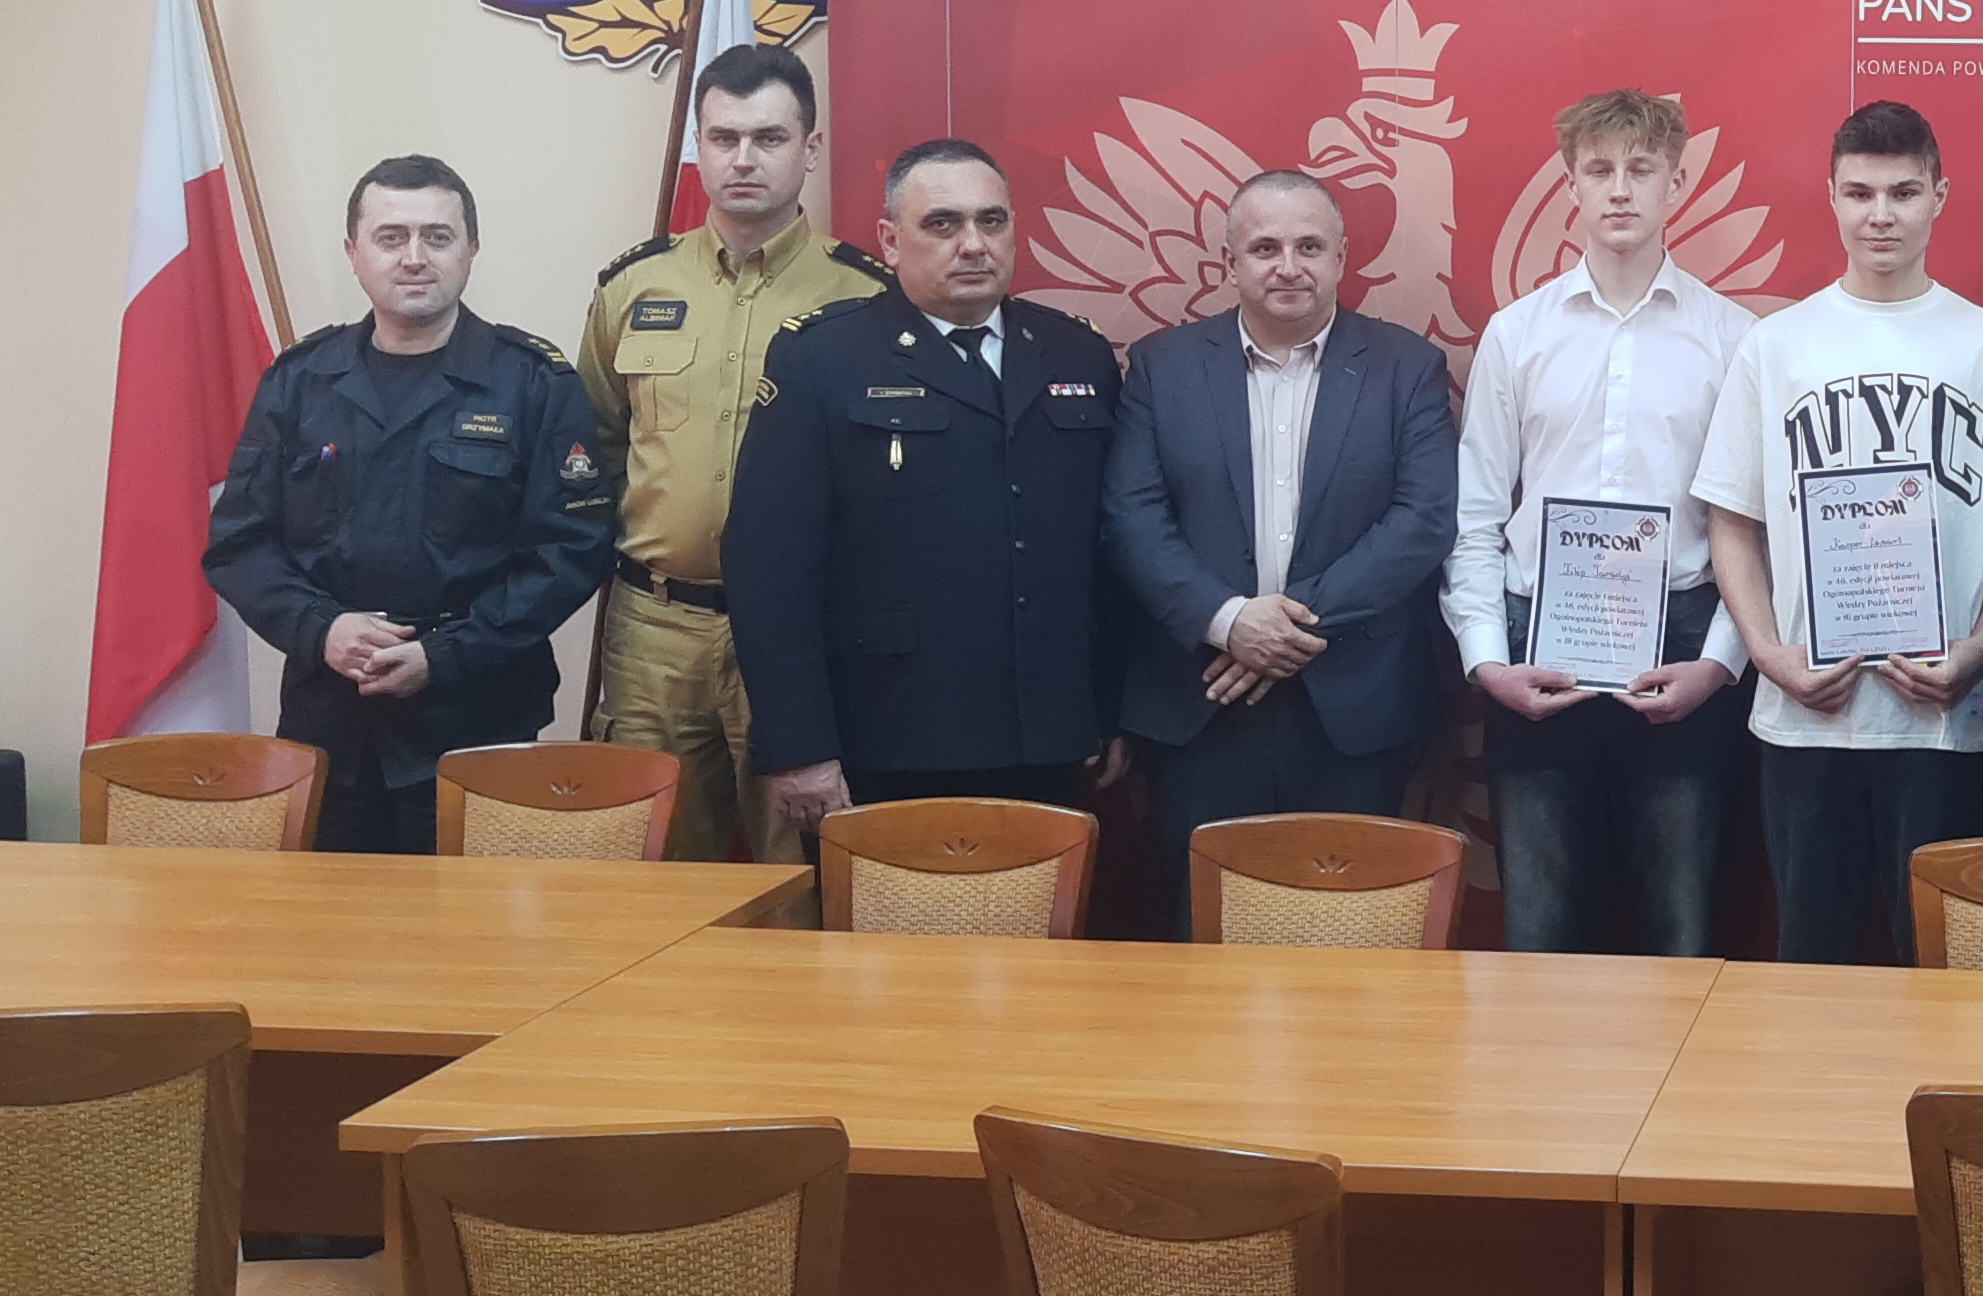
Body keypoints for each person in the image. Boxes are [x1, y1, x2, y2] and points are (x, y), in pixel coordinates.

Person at [1697, 102, 1983, 965]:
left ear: (1939, 196)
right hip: (1808, 712)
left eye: (1902, 192)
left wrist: (1979, 647)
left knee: (1939, 962)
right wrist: (1768, 654)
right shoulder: (1776, 345)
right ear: (1831, 197)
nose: (1880, 214)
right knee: (1811, 957)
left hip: (1944, 713)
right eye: (1859, 193)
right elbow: (1731, 518)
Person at [205, 157, 614, 853]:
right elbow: (240, 544)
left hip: (477, 722)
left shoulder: (532, 383)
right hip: (330, 723)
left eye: (438, 236)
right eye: (391, 237)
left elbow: (572, 551)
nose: (415, 257)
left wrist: (445, 656)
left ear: (472, 249)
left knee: (471, 919)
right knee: (328, 916)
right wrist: (322, 630)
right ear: (354, 253)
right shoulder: (300, 382)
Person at [726, 139, 1128, 825]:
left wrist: (1114, 710)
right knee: (885, 902)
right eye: (942, 224)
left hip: (1051, 729)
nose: (972, 244)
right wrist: (799, 745)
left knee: (1042, 900)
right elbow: (768, 568)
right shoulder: (821, 357)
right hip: (886, 732)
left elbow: (1110, 554)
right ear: (890, 241)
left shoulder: (1076, 353)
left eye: (991, 221)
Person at [1444, 92, 1753, 956]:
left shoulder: (1734, 338)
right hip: (1538, 646)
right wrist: (1487, 661)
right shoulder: (1517, 335)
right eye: (1600, 170)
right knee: (1539, 933)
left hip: (1682, 644)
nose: (1620, 189)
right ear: (1571, 183)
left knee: (1684, 933)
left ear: (1676, 184)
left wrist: (1719, 666)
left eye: (1641, 169)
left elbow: (1754, 527)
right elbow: (1476, 513)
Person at [1105, 170, 1457, 910]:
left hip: (1354, 709)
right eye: (1265, 248)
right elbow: (1132, 517)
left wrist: (1281, 628)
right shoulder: (1163, 367)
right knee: (1200, 932)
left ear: (1341, 256)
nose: (1288, 266)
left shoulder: (1406, 367)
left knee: (1350, 932)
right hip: (1202, 701)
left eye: (1309, 246)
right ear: (1230, 261)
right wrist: (1229, 622)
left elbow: (1423, 518)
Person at [575, 42, 884, 865]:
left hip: (805, 635)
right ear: (700, 147)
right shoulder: (633, 287)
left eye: (769, 138)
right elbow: (595, 446)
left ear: (810, 149)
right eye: (724, 138)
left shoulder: (867, 297)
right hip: (655, 632)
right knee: (655, 873)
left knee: (803, 874)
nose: (743, 158)